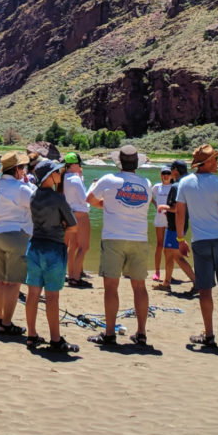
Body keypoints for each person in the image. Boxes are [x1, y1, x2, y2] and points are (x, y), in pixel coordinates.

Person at [85, 143, 153, 348]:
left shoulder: (108, 180)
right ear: (136, 163)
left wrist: (108, 205)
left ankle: (109, 334)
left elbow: (90, 199)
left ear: (119, 162)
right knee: (139, 287)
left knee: (111, 287)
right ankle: (141, 333)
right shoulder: (146, 183)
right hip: (139, 238)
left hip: (114, 237)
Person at [175, 145, 218, 350]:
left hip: (200, 241)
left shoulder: (185, 183)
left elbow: (179, 213)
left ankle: (209, 333)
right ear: (206, 164)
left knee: (205, 289)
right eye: (214, 160)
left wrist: (180, 239)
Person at [23, 159, 79, 354]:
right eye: (57, 172)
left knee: (33, 294)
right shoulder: (58, 199)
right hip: (53, 249)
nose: (60, 175)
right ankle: (55, 340)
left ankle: (31, 335)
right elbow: (73, 226)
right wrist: (63, 228)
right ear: (50, 176)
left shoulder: (33, 197)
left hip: (35, 247)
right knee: (52, 297)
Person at [0, 150, 35, 336]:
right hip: (16, 236)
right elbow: (37, 205)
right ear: (18, 170)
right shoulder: (22, 189)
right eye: (23, 167)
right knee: (13, 283)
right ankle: (7, 322)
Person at [156, 162, 194, 291]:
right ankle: (166, 283)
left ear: (176, 170)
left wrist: (163, 207)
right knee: (167, 253)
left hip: (175, 226)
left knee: (177, 256)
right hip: (179, 224)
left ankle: (196, 282)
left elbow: (176, 207)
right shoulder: (187, 184)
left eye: (171, 170)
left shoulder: (176, 186)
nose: (169, 172)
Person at [62, 152, 92, 287]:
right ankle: (75, 277)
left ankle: (71, 273)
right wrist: (93, 187)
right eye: (79, 164)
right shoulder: (75, 179)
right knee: (84, 247)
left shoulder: (64, 178)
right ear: (74, 164)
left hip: (69, 214)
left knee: (72, 245)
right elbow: (84, 200)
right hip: (80, 214)